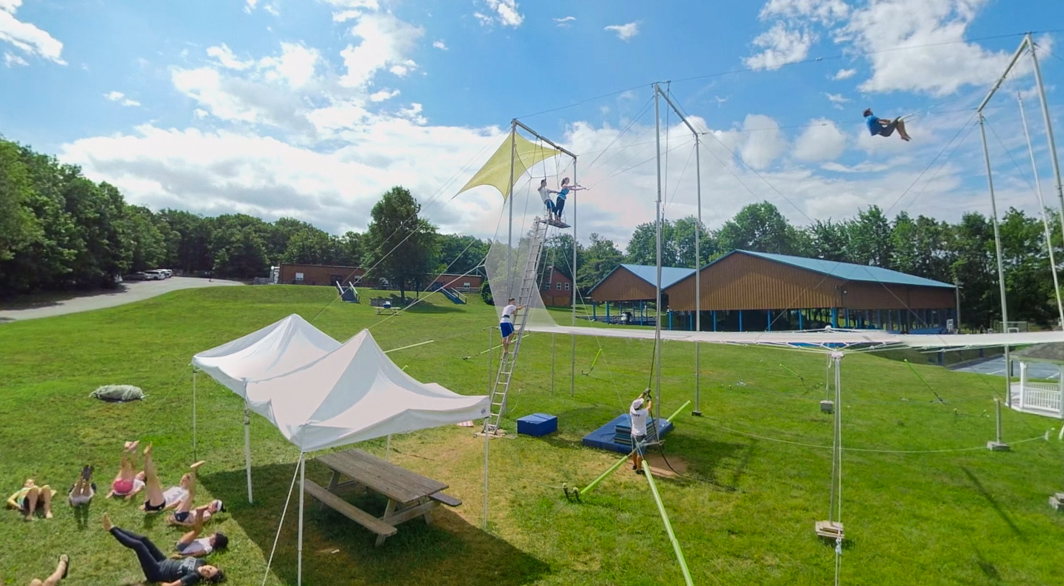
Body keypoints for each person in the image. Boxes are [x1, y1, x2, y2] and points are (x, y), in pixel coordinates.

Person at [103, 514, 226, 585]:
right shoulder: (202, 562)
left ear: (206, 578)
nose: (206, 569)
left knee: (139, 546)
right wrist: (180, 557)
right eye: (210, 568)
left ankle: (111, 530)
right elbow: (188, 559)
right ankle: (115, 527)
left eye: (208, 573)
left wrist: (162, 583)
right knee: (144, 539)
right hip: (163, 561)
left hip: (156, 572)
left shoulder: (193, 577)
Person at [141, 444, 194, 513]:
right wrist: (144, 506)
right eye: (183, 479)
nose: (182, 480)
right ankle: (147, 458)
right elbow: (163, 493)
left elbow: (176, 503)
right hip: (153, 501)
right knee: (149, 479)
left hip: (160, 505)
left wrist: (163, 510)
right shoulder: (175, 488)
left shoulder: (185, 493)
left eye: (187, 478)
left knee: (153, 480)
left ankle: (148, 457)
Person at [169, 462, 224, 527]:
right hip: (182, 514)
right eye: (211, 502)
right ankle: (190, 475)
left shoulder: (207, 516)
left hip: (182, 517)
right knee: (188, 495)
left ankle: (193, 472)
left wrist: (176, 522)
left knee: (191, 494)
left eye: (213, 505)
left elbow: (193, 524)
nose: (210, 504)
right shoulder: (205, 509)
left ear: (215, 509)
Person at [629, 390, 653, 475]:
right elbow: (649, 407)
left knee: (634, 450)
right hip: (640, 435)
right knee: (640, 452)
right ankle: (639, 469)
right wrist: (649, 400)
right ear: (639, 407)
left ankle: (634, 465)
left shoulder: (632, 409)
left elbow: (637, 399)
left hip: (633, 434)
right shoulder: (642, 413)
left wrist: (644, 393)